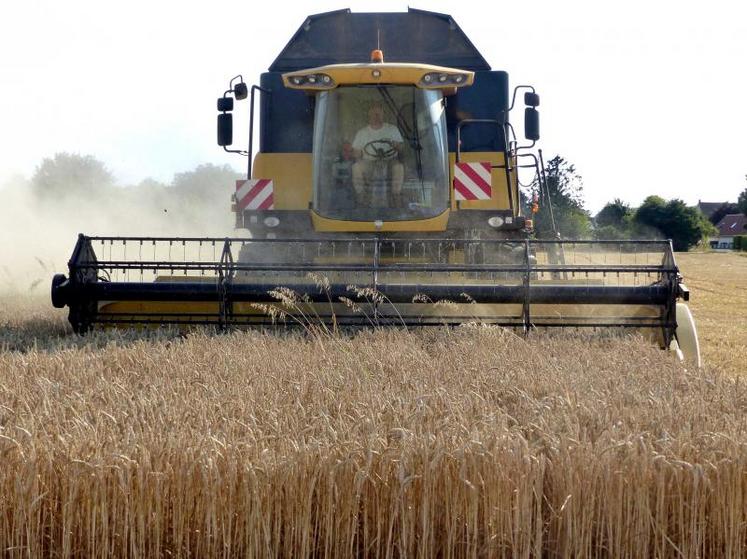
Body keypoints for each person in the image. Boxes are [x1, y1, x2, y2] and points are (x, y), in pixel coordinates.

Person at [351, 102, 404, 206]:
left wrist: (397, 146)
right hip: (369, 162)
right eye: (374, 114)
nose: (376, 116)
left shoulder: (392, 129)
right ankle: (361, 196)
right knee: (356, 167)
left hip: (390, 161)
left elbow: (401, 148)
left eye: (379, 114)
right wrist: (356, 153)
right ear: (369, 114)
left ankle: (396, 196)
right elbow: (356, 153)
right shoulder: (362, 133)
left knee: (399, 167)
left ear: (383, 114)